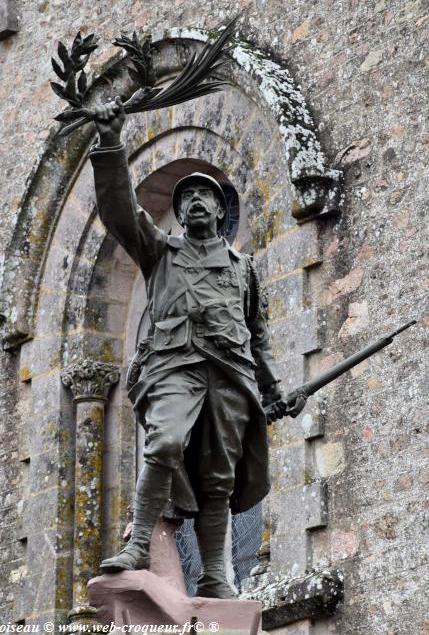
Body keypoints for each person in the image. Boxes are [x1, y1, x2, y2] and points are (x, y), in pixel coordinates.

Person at [89, 97, 306, 599]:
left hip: (229, 376)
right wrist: (109, 142)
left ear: (220, 209)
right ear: (180, 214)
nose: (193, 203)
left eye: (204, 196)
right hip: (174, 367)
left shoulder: (243, 269)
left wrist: (278, 390)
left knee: (218, 481)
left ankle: (213, 575)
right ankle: (139, 544)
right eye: (185, 199)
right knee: (163, 444)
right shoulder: (159, 251)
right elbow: (119, 209)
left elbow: (259, 338)